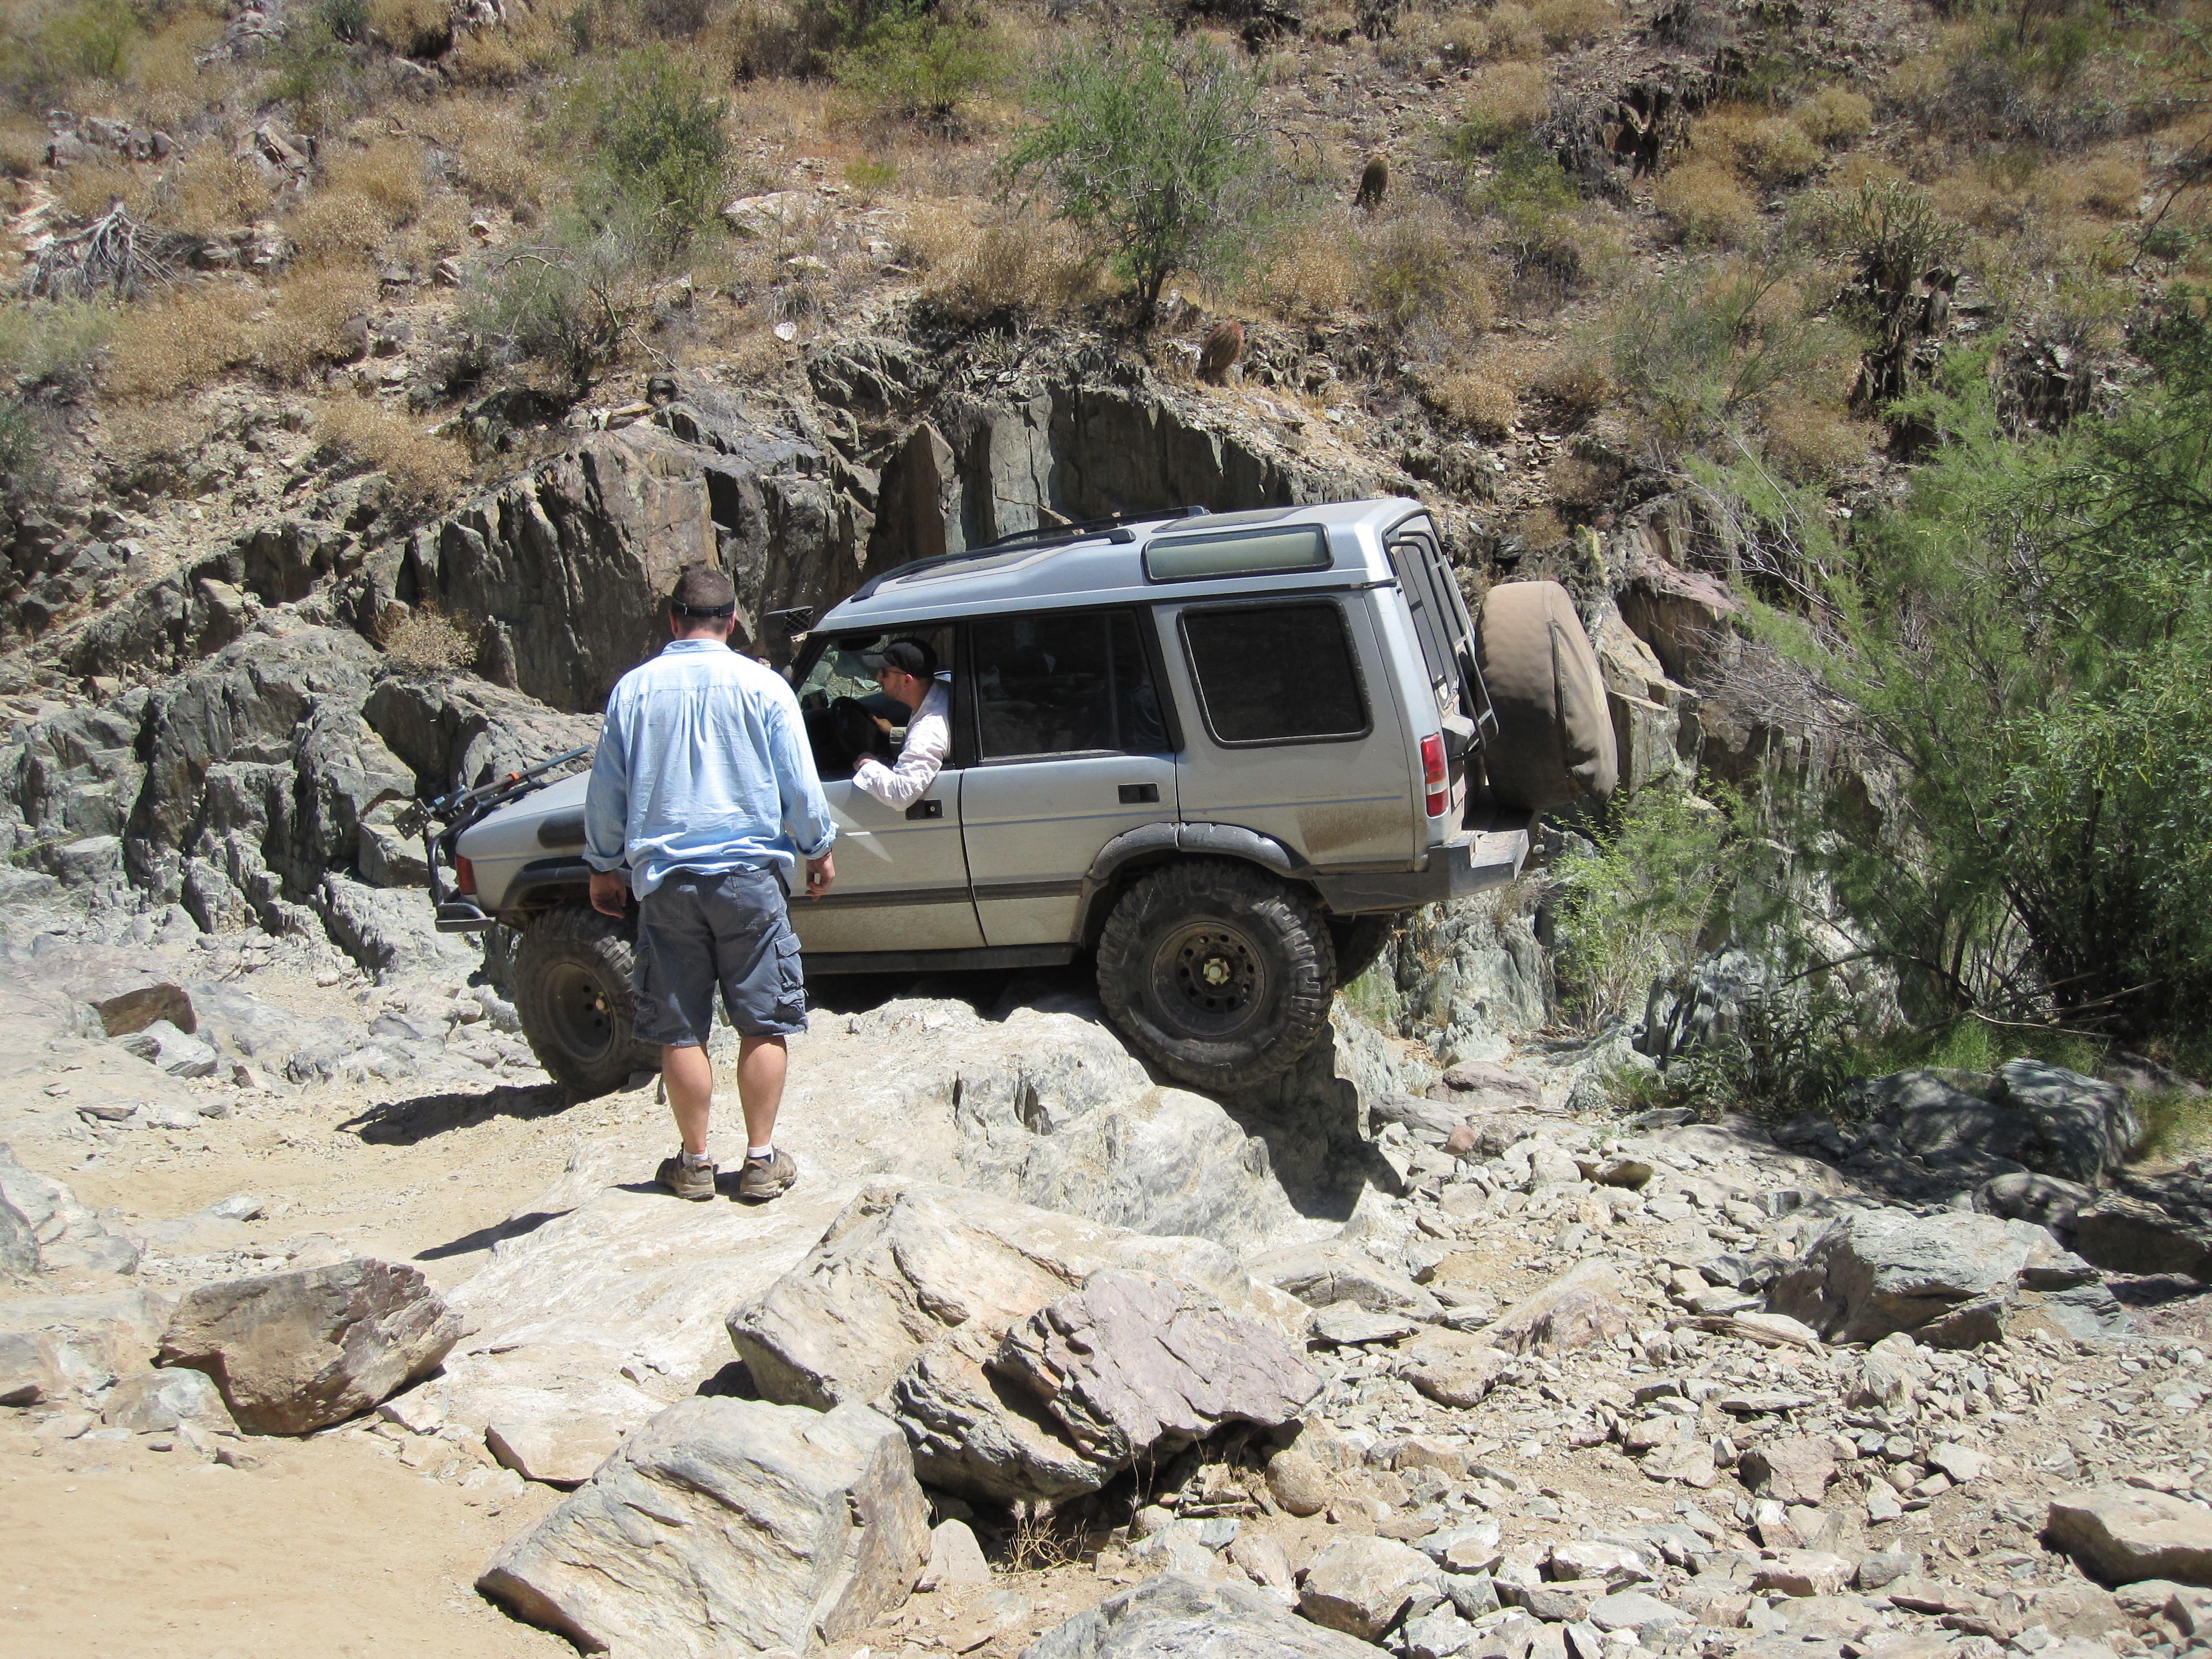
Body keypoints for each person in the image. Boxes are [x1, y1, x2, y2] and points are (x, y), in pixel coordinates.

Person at [582, 565, 837, 1204]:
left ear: (673, 620)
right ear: (732, 621)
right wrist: (817, 849)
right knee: (763, 1020)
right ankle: (760, 1160)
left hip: (667, 884)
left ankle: (695, 1163)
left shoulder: (633, 691)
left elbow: (606, 792)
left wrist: (603, 865)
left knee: (680, 1027)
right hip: (750, 880)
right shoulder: (765, 687)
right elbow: (798, 781)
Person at [850, 637, 950, 809]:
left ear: (907, 681)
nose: (878, 677)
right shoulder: (942, 692)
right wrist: (893, 733)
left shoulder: (928, 730)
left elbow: (902, 794)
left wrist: (868, 764)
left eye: (885, 672)